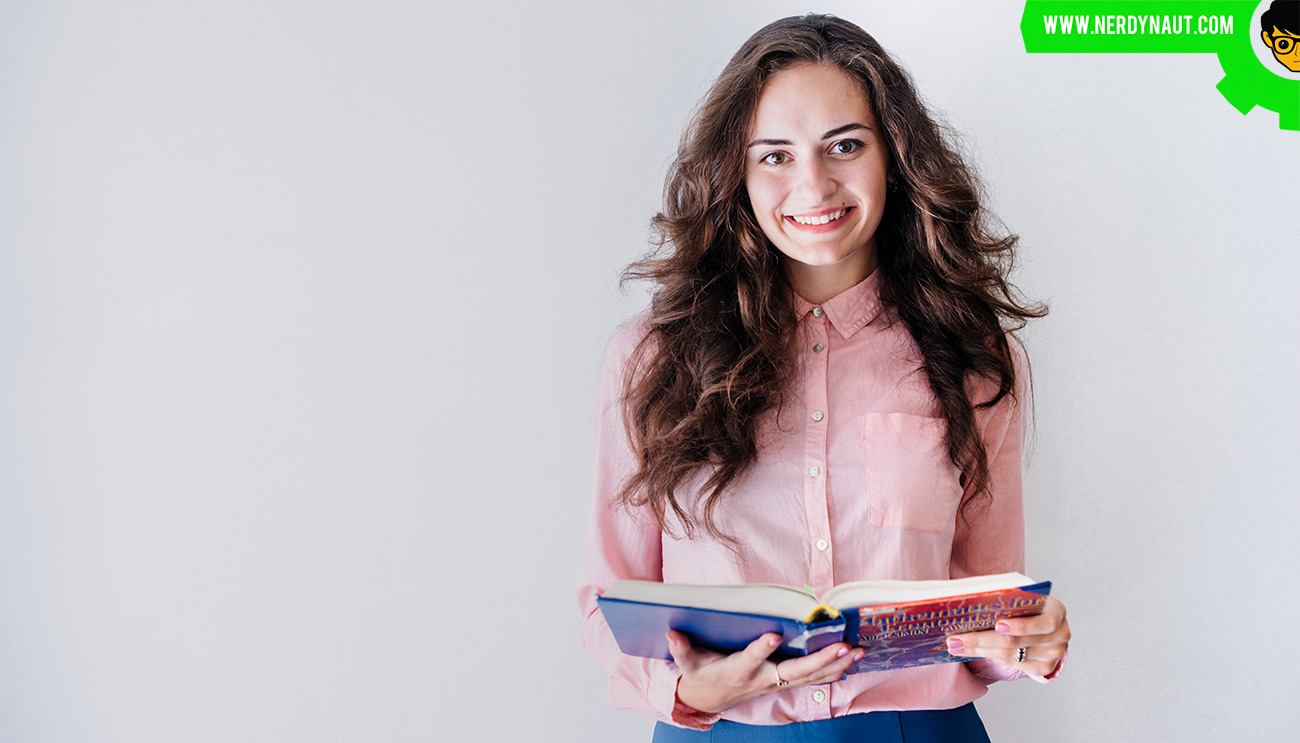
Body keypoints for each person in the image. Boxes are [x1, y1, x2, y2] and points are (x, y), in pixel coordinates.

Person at [578, 14, 1070, 742]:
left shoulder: (975, 354)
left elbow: (984, 602)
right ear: (736, 173)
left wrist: (1026, 638)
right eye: (774, 155)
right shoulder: (652, 357)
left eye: (844, 145)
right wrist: (685, 688)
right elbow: (605, 598)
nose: (813, 184)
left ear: (893, 157)